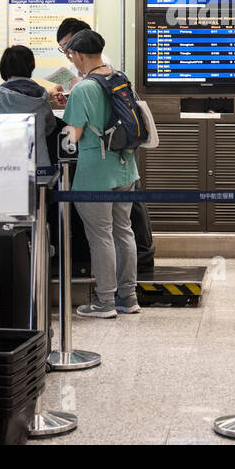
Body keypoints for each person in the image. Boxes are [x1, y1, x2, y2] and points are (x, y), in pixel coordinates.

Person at [60, 29, 140, 318]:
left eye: (71, 55)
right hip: (125, 167)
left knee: (100, 235)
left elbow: (74, 134)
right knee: (123, 231)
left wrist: (69, 114)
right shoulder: (120, 78)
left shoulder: (83, 88)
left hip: (95, 172)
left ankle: (105, 301)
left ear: (79, 55)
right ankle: (128, 297)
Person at [0, 45, 58, 170]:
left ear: (3, 69)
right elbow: (50, 127)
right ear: (31, 67)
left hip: (5, 168)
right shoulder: (42, 96)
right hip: (39, 167)